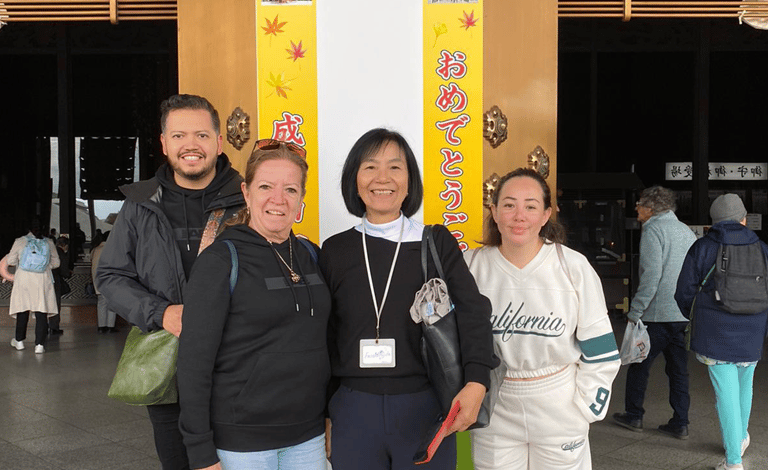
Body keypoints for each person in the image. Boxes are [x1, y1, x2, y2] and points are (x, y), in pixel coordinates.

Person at [320, 128, 497, 469]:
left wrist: (477, 381)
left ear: (410, 180)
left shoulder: (435, 242)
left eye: (395, 167)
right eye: (370, 167)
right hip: (352, 409)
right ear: (354, 179)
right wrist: (323, 412)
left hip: (424, 405)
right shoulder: (335, 250)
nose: (382, 178)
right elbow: (325, 335)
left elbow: (473, 313)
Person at [96, 94, 245, 470]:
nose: (190, 145)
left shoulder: (247, 198)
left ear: (218, 141)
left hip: (239, 363)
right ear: (164, 143)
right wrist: (162, 313)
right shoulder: (141, 205)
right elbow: (110, 275)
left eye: (201, 135)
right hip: (170, 365)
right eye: (179, 136)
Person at [178, 140, 331, 470]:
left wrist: (331, 414)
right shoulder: (221, 260)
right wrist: (200, 451)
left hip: (308, 438)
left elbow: (326, 344)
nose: (278, 199)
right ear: (247, 193)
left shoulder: (311, 255)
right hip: (242, 445)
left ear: (301, 199)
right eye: (266, 186)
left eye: (290, 189)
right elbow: (193, 364)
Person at [465, 167, 620, 470]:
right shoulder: (470, 265)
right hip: (495, 402)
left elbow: (601, 348)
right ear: (494, 212)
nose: (519, 215)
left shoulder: (573, 267)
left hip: (557, 402)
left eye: (530, 206)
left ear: (547, 214)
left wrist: (587, 406)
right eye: (509, 205)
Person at [675, 194, 768, 470]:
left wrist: (696, 315)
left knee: (725, 391)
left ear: (714, 223)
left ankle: (733, 462)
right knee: (745, 384)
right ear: (743, 218)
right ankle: (739, 438)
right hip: (753, 328)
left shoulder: (703, 247)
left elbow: (683, 292)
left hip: (715, 330)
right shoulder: (762, 248)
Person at [613, 186, 696, 440]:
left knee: (639, 363)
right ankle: (680, 422)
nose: (636, 208)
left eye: (639, 204)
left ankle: (634, 414)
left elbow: (651, 276)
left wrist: (635, 311)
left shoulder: (653, 230)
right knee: (678, 370)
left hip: (658, 313)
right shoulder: (686, 231)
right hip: (682, 314)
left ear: (651, 207)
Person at [4, 219, 60, 354]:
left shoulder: (20, 241)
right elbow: (57, 263)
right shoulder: (49, 242)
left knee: (22, 309)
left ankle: (19, 341)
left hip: (24, 279)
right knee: (41, 311)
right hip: (42, 279)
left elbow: (11, 261)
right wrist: (45, 267)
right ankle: (39, 344)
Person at [91, 231, 117, 333]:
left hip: (97, 281)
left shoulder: (95, 249)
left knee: (101, 303)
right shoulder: (112, 249)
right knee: (111, 303)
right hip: (110, 280)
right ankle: (110, 326)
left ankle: (101, 327)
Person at [49, 236, 72, 335]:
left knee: (46, 303)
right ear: (64, 245)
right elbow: (63, 268)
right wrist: (68, 274)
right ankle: (54, 327)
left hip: (46, 280)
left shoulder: (50, 251)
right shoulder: (60, 253)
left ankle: (44, 325)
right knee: (55, 304)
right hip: (55, 281)